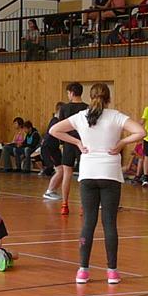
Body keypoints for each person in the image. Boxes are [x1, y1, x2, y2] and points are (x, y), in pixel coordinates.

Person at [50, 83, 144, 285]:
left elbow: (54, 130)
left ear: (90, 96)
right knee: (109, 223)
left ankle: (83, 270)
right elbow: (141, 132)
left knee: (88, 223)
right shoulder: (115, 116)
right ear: (108, 98)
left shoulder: (81, 116)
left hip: (88, 173)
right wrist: (121, 143)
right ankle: (112, 272)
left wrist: (77, 142)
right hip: (110, 174)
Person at [46, 83, 87, 215]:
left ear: (71, 93)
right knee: (83, 175)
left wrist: (62, 143)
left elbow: (60, 127)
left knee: (67, 174)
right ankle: (83, 206)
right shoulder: (87, 108)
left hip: (68, 143)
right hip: (83, 143)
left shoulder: (64, 108)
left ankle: (64, 204)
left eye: (68, 93)